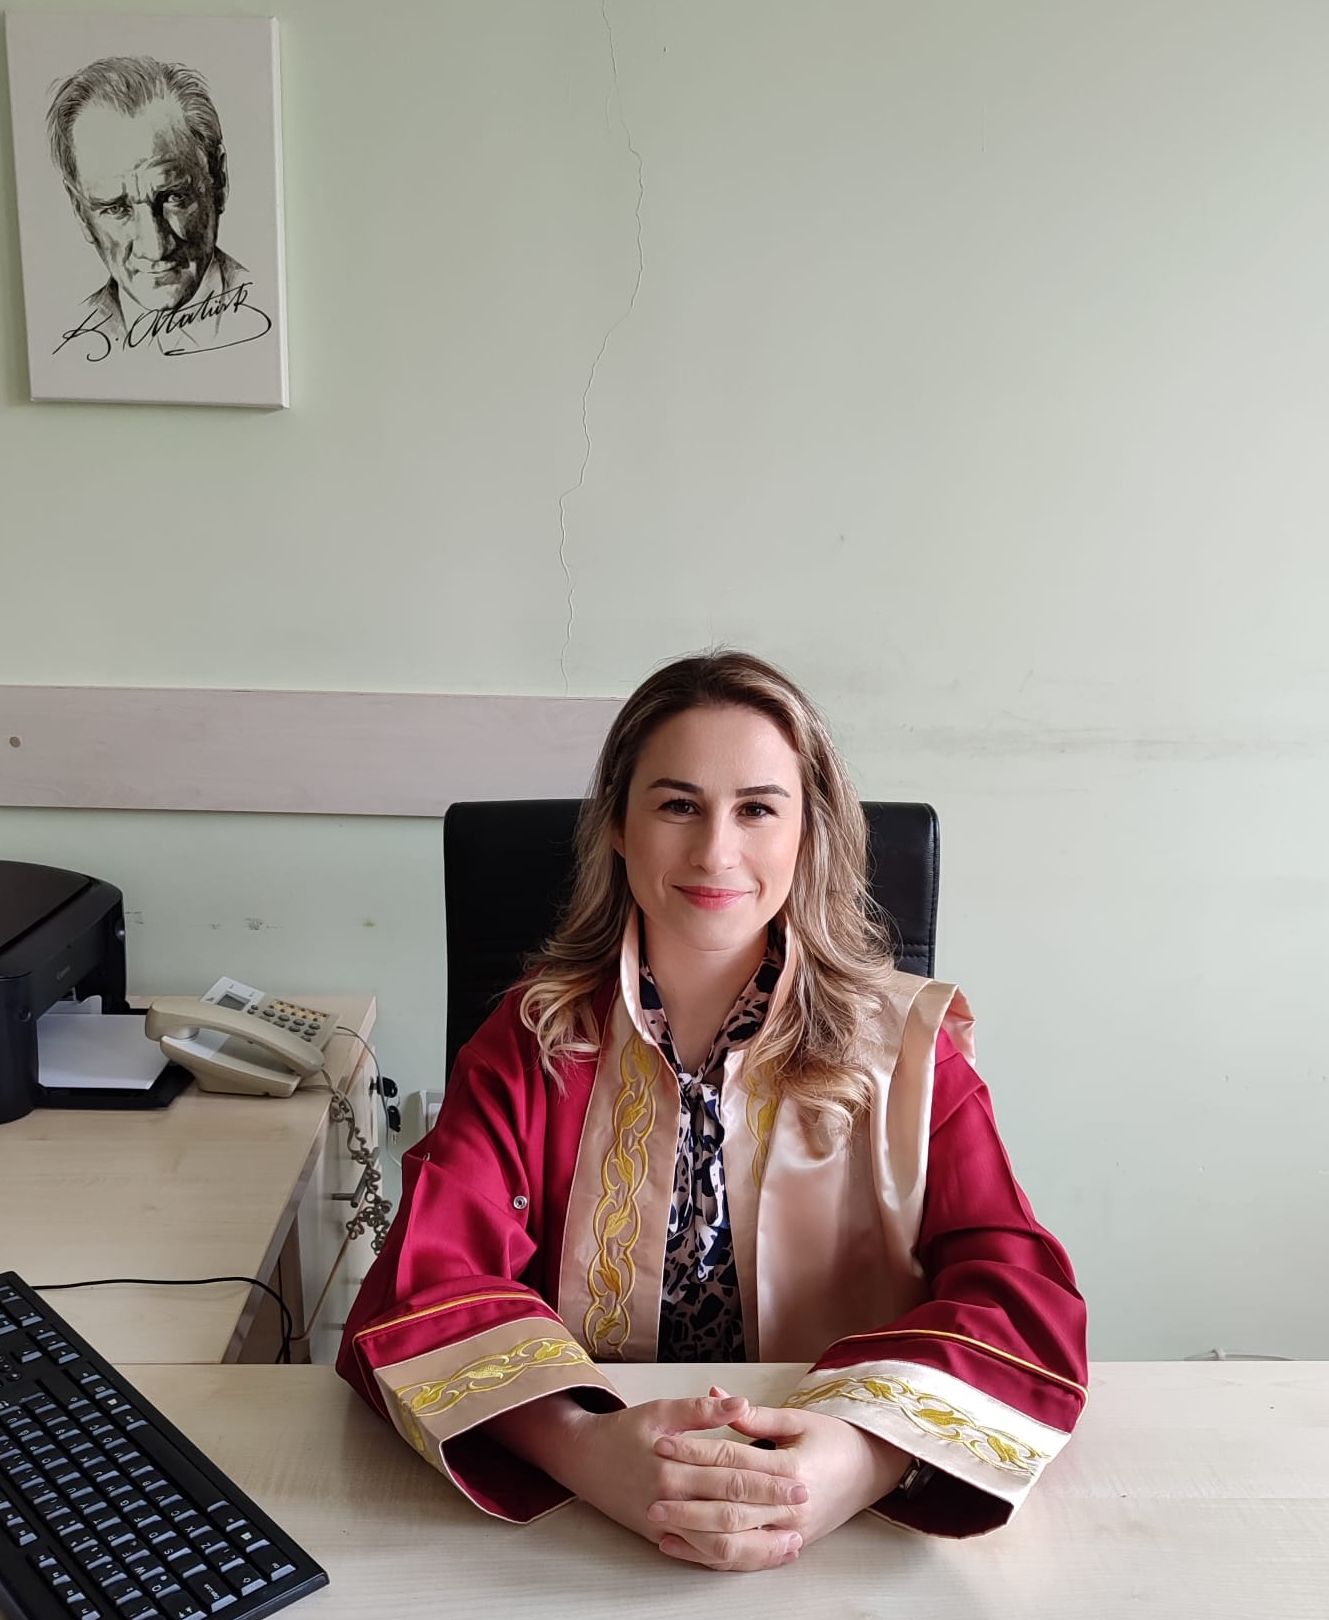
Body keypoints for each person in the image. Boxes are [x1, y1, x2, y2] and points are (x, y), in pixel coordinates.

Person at [337, 651, 1088, 1572]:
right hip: (587, 1528)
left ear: (809, 831)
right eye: (677, 805)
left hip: (843, 1530)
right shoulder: (533, 1038)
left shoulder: (908, 1051)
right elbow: (420, 1285)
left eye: (757, 809)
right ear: (618, 825)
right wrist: (579, 1447)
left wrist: (865, 1459)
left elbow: (1019, 1297)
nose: (714, 853)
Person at [46, 56, 250, 359]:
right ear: (80, 212)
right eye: (116, 209)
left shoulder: (274, 304)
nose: (155, 248)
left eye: (173, 197)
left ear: (218, 181)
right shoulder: (64, 343)